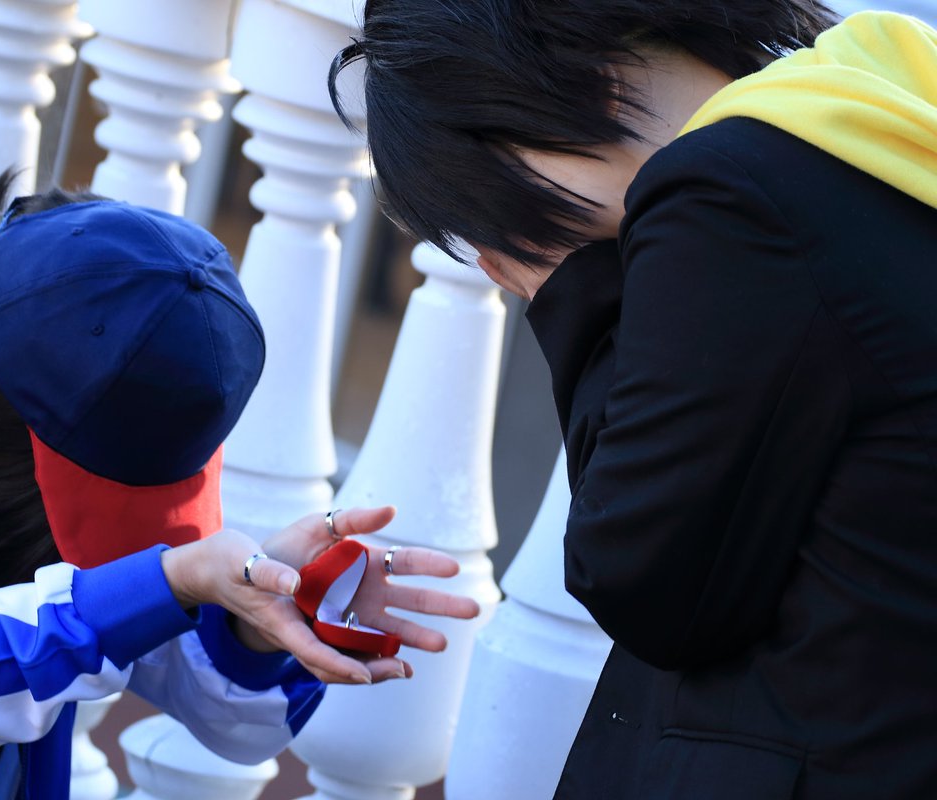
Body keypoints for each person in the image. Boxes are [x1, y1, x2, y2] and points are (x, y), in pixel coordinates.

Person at [331, 2, 937, 798]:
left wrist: (567, 289)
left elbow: (643, 581)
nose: (494, 255)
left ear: (569, 91)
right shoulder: (881, 114)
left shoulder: (730, 195)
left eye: (489, 209)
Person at [0, 172, 480, 799]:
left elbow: (232, 722)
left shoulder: (98, 397)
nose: (103, 536)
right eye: (75, 491)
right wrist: (168, 582)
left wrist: (263, 619)